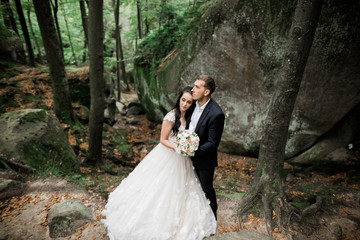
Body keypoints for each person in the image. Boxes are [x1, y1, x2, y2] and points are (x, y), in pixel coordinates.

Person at [102, 86, 217, 240]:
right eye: (183, 100)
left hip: (183, 159)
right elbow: (162, 140)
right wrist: (178, 147)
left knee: (183, 188)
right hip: (169, 155)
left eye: (189, 102)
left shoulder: (189, 116)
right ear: (179, 99)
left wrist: (187, 147)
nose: (185, 104)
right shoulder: (171, 115)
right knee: (160, 187)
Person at [187, 75, 225, 219]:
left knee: (206, 189)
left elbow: (212, 143)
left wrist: (191, 151)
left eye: (197, 87)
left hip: (204, 160)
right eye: (194, 86)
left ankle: (212, 217)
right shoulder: (192, 105)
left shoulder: (216, 114)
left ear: (206, 91)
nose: (193, 89)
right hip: (185, 157)